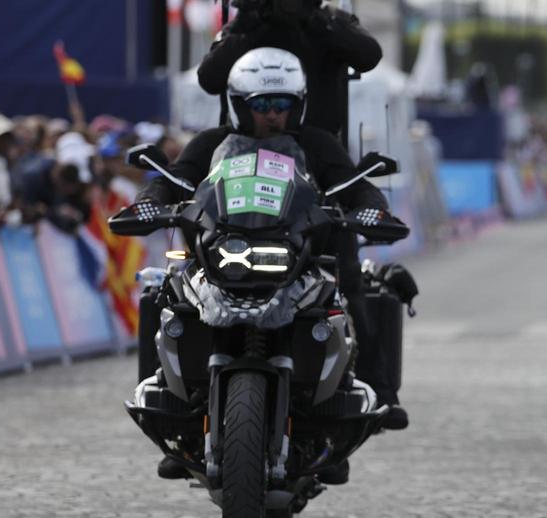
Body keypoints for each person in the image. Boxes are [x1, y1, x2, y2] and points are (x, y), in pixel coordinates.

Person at [138, 48, 403, 482]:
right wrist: (150, 202)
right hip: (221, 257)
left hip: (299, 262)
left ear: (298, 105)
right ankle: (176, 413)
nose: (273, 115)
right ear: (239, 104)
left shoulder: (317, 143)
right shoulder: (209, 143)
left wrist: (372, 209)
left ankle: (358, 398)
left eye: (282, 105)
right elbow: (174, 179)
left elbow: (355, 186)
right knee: (161, 290)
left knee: (352, 291)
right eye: (261, 105)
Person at [197, 0, 382, 137]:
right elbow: (209, 79)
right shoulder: (250, 25)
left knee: (350, 181)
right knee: (202, 147)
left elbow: (369, 56)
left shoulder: (327, 22)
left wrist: (316, 20)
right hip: (248, 148)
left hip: (314, 153)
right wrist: (249, 25)